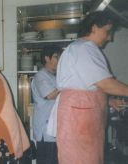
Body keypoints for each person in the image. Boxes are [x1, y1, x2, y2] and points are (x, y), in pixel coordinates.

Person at [53, 11, 128, 164]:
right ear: (94, 28)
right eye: (107, 32)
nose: (110, 38)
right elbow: (106, 84)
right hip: (79, 121)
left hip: (82, 117)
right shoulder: (84, 48)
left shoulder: (82, 48)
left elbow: (89, 86)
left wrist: (109, 101)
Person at [31, 45, 62, 164]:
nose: (59, 59)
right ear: (47, 58)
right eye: (56, 56)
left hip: (54, 130)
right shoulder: (40, 76)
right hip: (46, 132)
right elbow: (50, 95)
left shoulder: (54, 77)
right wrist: (67, 81)